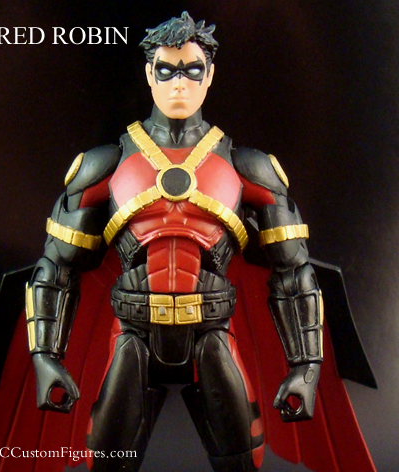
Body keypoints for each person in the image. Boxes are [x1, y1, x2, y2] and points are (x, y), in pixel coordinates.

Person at [25, 12, 323, 472]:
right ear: (149, 74)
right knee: (109, 458)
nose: (178, 83)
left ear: (210, 75)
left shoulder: (250, 168)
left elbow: (293, 273)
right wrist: (45, 357)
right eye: (166, 70)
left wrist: (306, 367)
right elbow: (56, 269)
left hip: (213, 333)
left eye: (191, 69)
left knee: (241, 459)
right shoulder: (104, 166)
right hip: (132, 335)